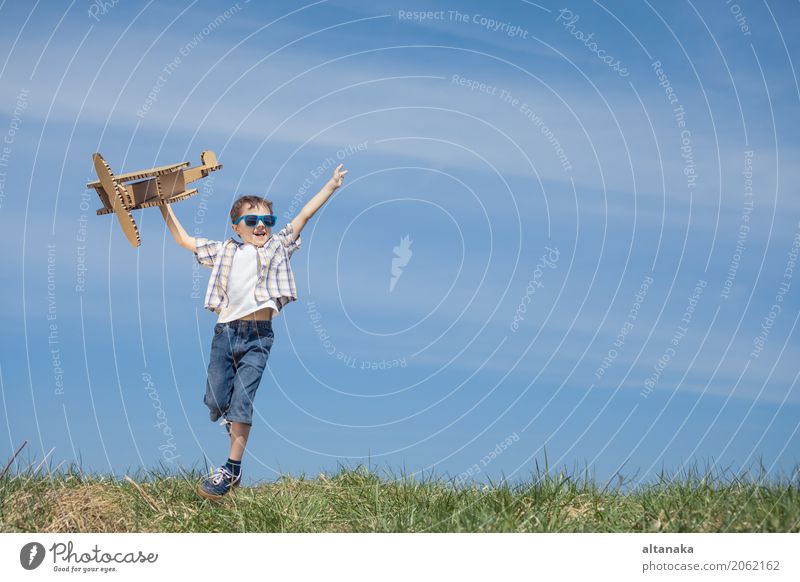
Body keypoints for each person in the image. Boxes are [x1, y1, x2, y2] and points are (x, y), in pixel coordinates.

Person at [160, 162, 348, 500]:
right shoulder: (223, 251)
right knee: (216, 401)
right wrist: (162, 204)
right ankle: (227, 416)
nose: (261, 226)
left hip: (259, 337)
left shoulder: (277, 248)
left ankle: (231, 469)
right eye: (252, 220)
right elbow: (183, 239)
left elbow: (304, 215)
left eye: (267, 221)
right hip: (225, 334)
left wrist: (330, 186)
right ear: (237, 226)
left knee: (242, 403)